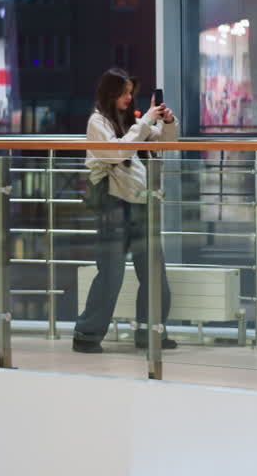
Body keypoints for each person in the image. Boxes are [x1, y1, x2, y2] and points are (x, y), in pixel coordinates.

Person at [73, 68, 180, 354]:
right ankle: (87, 334)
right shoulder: (98, 121)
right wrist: (145, 122)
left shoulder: (132, 120)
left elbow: (165, 143)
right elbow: (115, 152)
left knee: (154, 271)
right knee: (111, 273)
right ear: (111, 94)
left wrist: (167, 122)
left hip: (142, 201)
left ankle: (151, 331)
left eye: (131, 92)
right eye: (124, 93)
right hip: (114, 203)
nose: (129, 98)